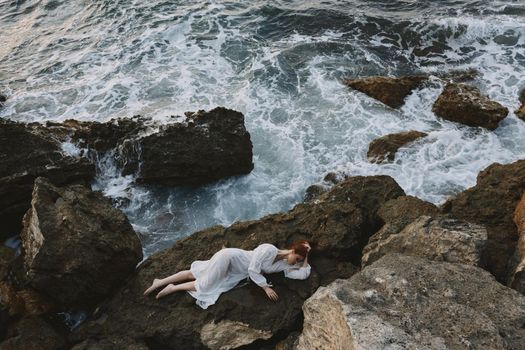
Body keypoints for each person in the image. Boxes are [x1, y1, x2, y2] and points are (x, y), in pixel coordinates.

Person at [143, 240, 312, 309]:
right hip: (230, 258)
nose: (295, 262)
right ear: (292, 250)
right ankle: (170, 286)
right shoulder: (268, 249)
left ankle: (160, 281)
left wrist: (306, 256)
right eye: (296, 258)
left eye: (298, 261)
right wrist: (265, 287)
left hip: (235, 271)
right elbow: (253, 269)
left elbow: (303, 274)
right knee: (205, 283)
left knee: (198, 272)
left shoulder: (282, 266)